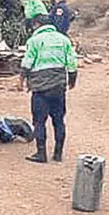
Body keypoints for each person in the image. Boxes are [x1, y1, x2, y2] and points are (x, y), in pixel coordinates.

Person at [19, 9, 77, 163]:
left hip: (40, 88)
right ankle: (58, 154)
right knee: (58, 120)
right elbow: (72, 63)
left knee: (39, 121)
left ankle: (41, 153)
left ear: (37, 25)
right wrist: (72, 80)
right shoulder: (63, 39)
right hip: (58, 86)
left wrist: (21, 81)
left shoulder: (34, 41)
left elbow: (27, 63)